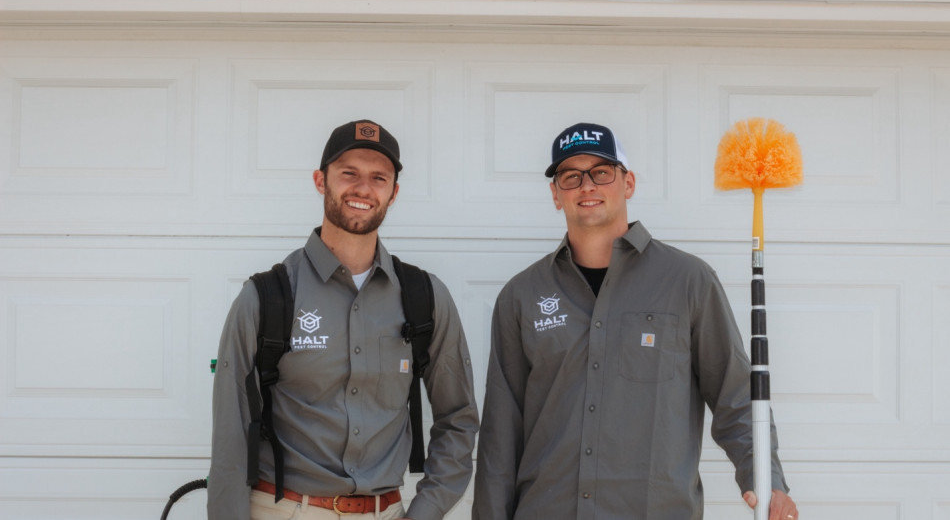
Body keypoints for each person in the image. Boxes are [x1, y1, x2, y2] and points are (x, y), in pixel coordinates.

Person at [472, 122, 799, 520]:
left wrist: (767, 481)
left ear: (628, 183)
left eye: (601, 172)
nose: (586, 186)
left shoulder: (688, 281)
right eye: (571, 176)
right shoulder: (522, 296)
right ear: (556, 194)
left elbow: (737, 398)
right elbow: (500, 437)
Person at [209, 119, 480, 520]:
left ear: (394, 193)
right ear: (321, 181)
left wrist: (425, 511)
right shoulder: (265, 297)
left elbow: (458, 418)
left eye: (378, 178)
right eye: (349, 173)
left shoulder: (425, 297)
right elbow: (230, 434)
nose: (363, 188)